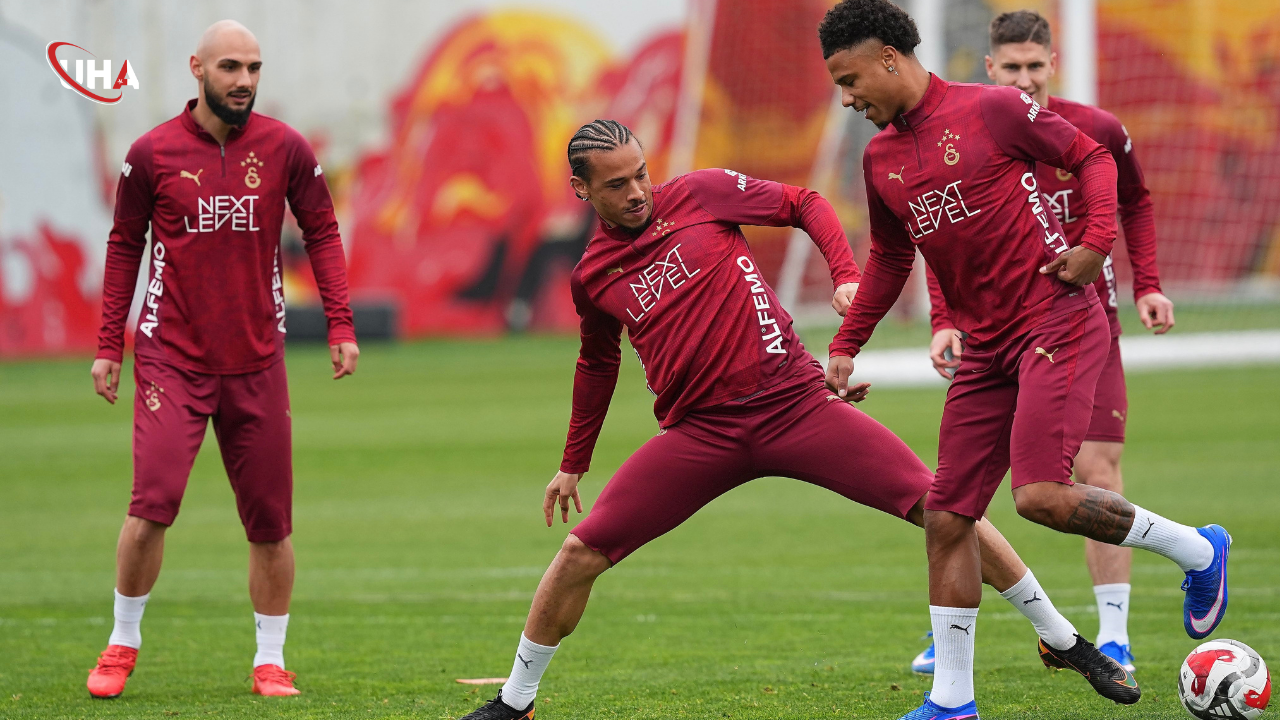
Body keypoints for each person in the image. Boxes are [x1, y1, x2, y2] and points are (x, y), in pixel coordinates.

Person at [461, 120, 1127, 720]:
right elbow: (596, 364)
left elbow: (804, 203)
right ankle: (515, 702)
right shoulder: (592, 276)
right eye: (616, 184)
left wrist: (845, 275)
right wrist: (573, 463)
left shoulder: (702, 193)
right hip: (701, 435)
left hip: (796, 407)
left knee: (945, 507)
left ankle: (1062, 639)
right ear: (581, 190)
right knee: (579, 553)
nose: (637, 192)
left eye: (641, 173)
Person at [817, 1, 1230, 718]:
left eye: (850, 80)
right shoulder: (879, 158)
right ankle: (953, 702)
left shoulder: (993, 109)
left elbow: (1092, 157)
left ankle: (1198, 550)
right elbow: (888, 258)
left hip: (1055, 321)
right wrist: (846, 344)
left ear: (889, 58)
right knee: (947, 515)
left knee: (1038, 495)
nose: (847, 98)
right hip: (985, 350)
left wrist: (1096, 243)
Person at [85, 20, 359, 699]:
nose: (244, 80)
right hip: (171, 359)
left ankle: (270, 659)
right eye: (231, 67)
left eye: (253, 68)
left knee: (270, 524)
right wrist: (108, 344)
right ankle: (122, 643)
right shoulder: (151, 153)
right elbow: (124, 246)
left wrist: (340, 323)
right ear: (197, 68)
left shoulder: (285, 147)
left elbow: (322, 231)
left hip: (257, 359)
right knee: (151, 506)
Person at [911, 9, 1176, 677]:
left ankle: (1114, 635)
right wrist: (943, 318)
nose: (1025, 78)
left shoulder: (1095, 130)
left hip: (1081, 323)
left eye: (1035, 66)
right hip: (997, 334)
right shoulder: (971, 137)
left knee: (1095, 471)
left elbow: (1135, 201)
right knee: (962, 490)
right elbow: (945, 240)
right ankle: (951, 628)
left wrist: (1147, 283)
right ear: (991, 68)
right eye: (1012, 67)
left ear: (1053, 63)